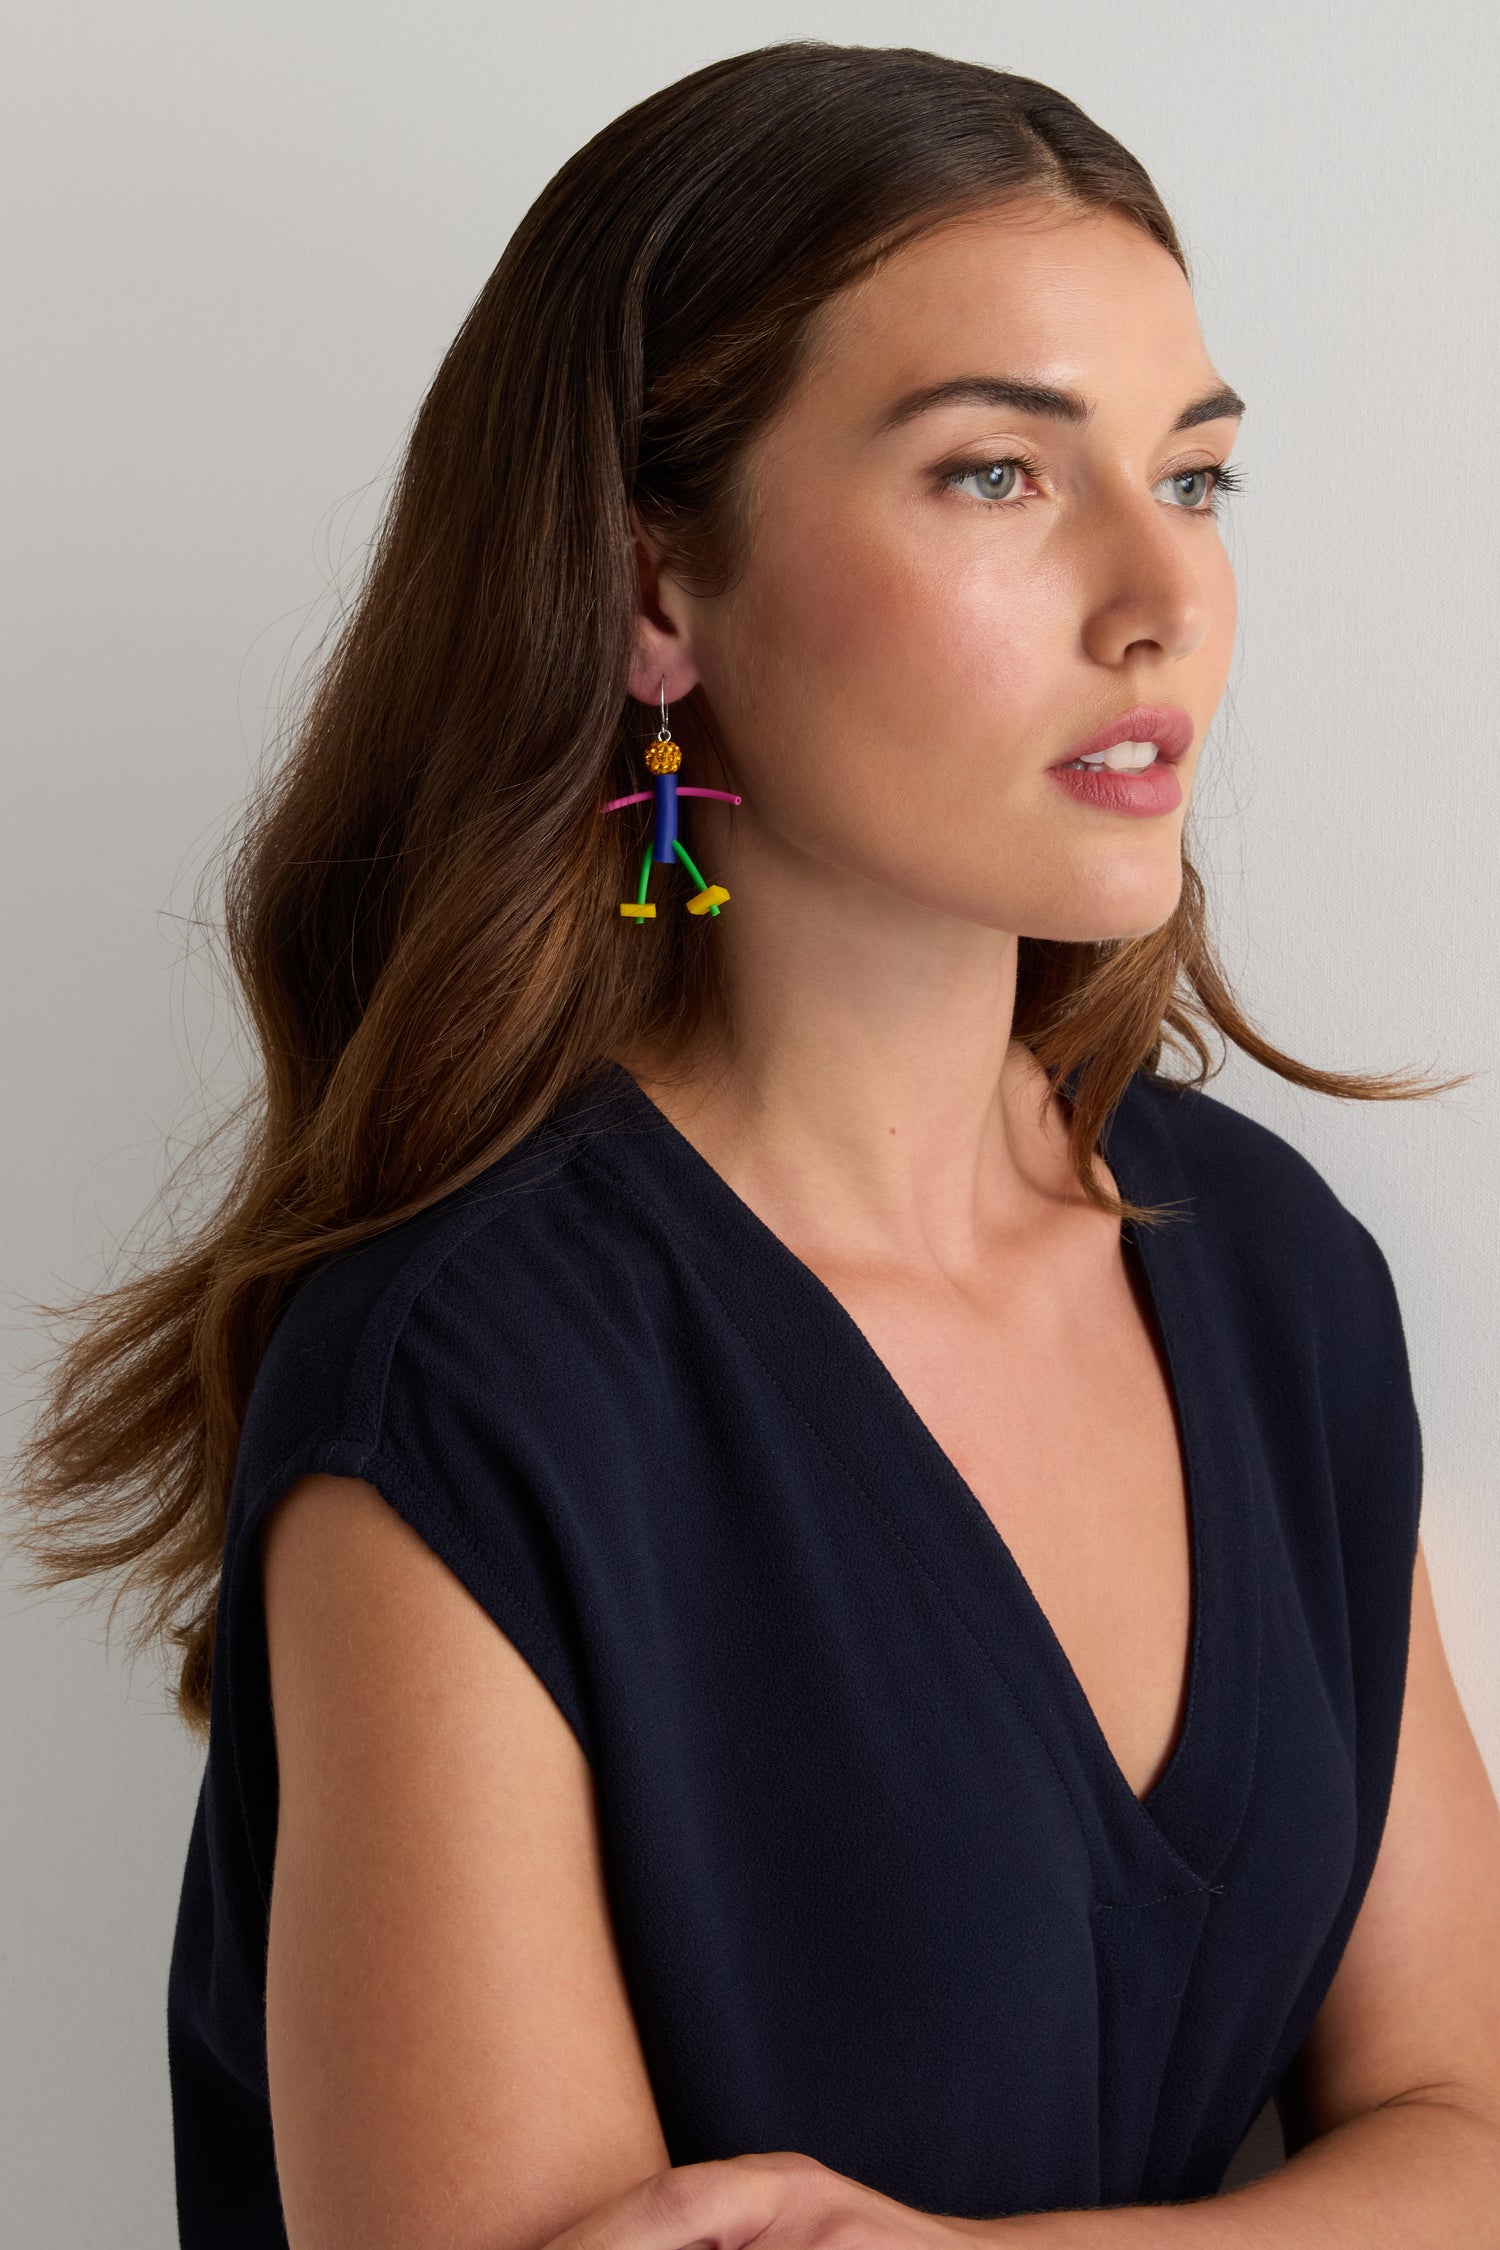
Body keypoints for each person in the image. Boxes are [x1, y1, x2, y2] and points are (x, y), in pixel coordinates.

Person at [12, 38, 1500, 2250]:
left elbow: (1471, 2129)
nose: (1161, 596)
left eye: (1194, 480)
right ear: (656, 597)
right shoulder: (473, 1393)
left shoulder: (1274, 1271)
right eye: (998, 475)